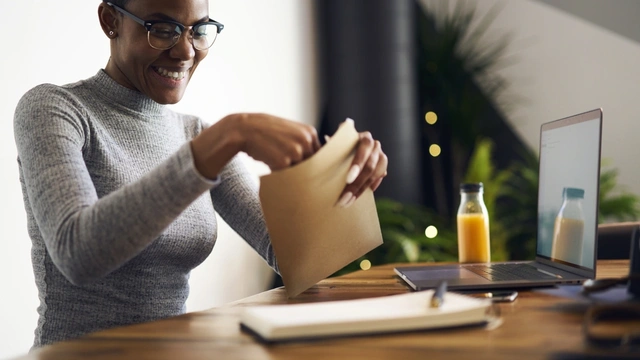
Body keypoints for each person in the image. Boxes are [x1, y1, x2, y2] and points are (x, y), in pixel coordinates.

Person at [13, 0, 388, 349]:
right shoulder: (54, 110)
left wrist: (345, 178)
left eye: (198, 29)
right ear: (110, 21)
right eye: (163, 29)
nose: (186, 51)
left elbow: (295, 259)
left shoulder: (196, 137)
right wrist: (225, 138)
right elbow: (78, 254)